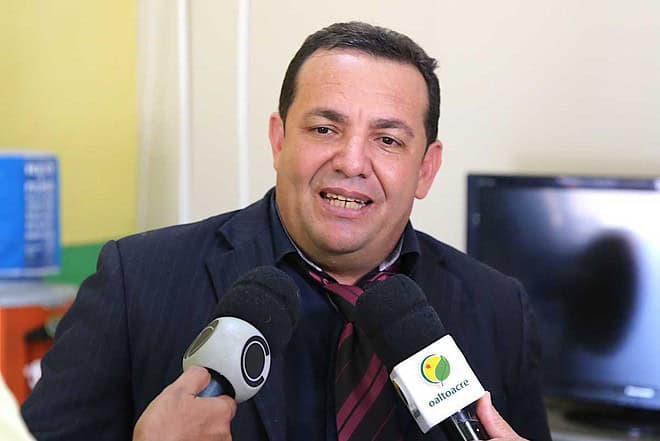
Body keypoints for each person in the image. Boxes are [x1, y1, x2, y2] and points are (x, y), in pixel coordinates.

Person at [22, 22, 551, 441]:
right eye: (324, 129)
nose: (351, 162)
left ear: (427, 169)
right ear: (279, 141)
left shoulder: (498, 308)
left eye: (388, 140)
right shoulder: (135, 281)